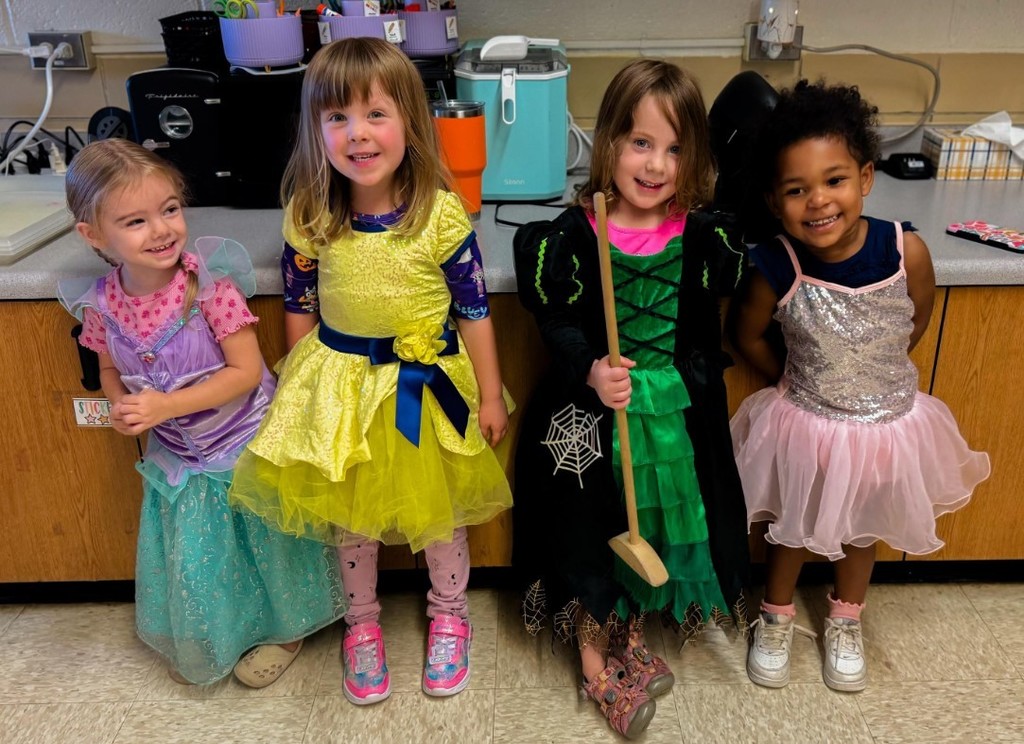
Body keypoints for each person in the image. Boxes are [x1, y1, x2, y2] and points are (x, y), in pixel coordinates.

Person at [227, 38, 513, 706]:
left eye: (375, 114)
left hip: (426, 389)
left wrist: (491, 394)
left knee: (439, 515)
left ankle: (451, 615)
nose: (357, 133)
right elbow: (299, 305)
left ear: (409, 121)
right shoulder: (309, 213)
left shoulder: (440, 214)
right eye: (338, 117)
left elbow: (474, 311)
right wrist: (299, 392)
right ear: (316, 129)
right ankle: (361, 624)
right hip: (342, 391)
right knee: (351, 519)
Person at [512, 59, 751, 739]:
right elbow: (557, 320)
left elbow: (706, 324)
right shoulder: (574, 235)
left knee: (652, 525)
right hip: (593, 416)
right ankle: (593, 659)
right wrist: (590, 369)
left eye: (675, 149)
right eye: (640, 142)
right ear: (609, 140)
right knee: (593, 529)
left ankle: (630, 629)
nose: (655, 165)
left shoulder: (702, 236)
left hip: (669, 419)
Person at [728, 80, 991, 693]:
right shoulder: (776, 265)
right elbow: (746, 335)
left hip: (885, 427)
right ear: (774, 199)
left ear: (866, 177)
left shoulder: (907, 251)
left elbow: (913, 319)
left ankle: (846, 620)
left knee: (863, 528)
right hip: (805, 420)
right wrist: (792, 377)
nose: (818, 201)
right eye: (796, 189)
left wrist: (872, 379)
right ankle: (776, 615)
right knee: (791, 523)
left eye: (835, 180)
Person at [58, 139, 346, 687]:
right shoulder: (101, 304)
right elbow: (109, 368)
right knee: (207, 552)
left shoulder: (209, 289)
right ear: (93, 235)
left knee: (269, 548)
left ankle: (286, 629)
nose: (161, 229)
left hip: (243, 446)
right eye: (135, 221)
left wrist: (165, 404)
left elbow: (244, 373)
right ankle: (228, 628)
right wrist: (119, 404)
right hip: (180, 459)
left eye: (169, 209)